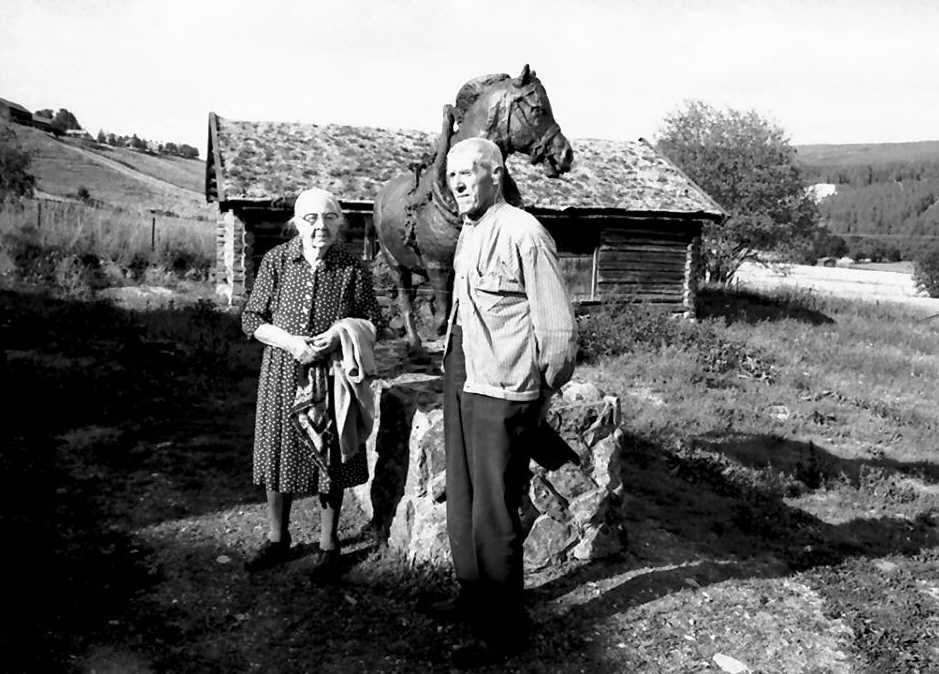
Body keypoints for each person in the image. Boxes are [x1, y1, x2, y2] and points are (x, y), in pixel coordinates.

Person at [441, 138, 577, 665]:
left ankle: (503, 631)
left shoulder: (524, 232)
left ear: (495, 174)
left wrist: (538, 389)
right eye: (451, 174)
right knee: (464, 498)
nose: (456, 181)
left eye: (467, 171)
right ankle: (473, 598)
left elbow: (558, 331)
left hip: (503, 390)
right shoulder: (468, 232)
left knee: (495, 511)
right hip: (463, 378)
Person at [241, 187, 383, 576]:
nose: (321, 226)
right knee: (278, 449)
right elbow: (251, 319)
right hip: (282, 372)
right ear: (296, 224)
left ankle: (328, 544)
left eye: (330, 217)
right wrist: (290, 342)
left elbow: (375, 322)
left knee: (331, 456)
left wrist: (341, 333)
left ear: (340, 221)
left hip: (330, 376)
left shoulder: (351, 268)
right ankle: (276, 538)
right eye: (311, 218)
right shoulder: (276, 261)